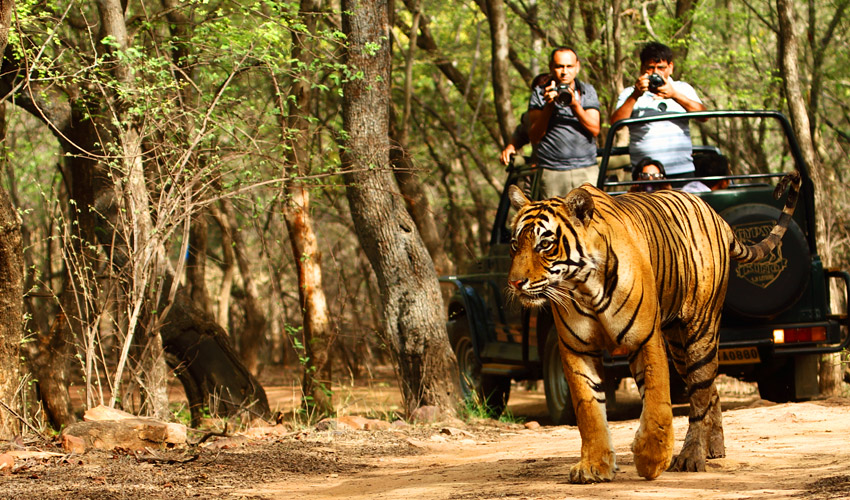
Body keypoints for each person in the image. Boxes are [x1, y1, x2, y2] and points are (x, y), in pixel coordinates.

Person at [610, 42, 706, 179]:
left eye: (661, 68)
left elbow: (704, 116)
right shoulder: (629, 93)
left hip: (681, 170)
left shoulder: (683, 89)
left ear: (670, 67)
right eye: (650, 68)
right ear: (642, 68)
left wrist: (675, 95)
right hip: (645, 174)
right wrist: (635, 96)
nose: (656, 73)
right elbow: (616, 124)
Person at [527, 47, 601, 197]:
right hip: (552, 171)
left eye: (569, 66)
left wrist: (574, 104)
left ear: (577, 67)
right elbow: (534, 136)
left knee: (591, 219)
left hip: (586, 169)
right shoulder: (539, 94)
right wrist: (549, 105)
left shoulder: (587, 91)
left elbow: (595, 129)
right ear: (551, 67)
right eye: (559, 66)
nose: (564, 72)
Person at [500, 74, 551, 166]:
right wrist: (510, 148)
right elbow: (521, 134)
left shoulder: (573, 110)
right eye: (539, 92)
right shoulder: (529, 117)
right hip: (541, 167)